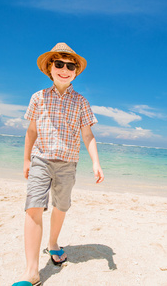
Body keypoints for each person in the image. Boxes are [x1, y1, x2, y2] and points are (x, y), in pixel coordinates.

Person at [13, 43, 104, 286]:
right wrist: (26, 159)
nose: (65, 69)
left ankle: (53, 243)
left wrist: (96, 162)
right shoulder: (38, 97)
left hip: (68, 163)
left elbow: (88, 135)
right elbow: (31, 131)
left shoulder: (81, 101)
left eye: (70, 65)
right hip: (40, 159)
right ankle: (31, 271)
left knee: (61, 206)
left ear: (76, 71)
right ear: (49, 68)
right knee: (33, 206)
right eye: (59, 64)